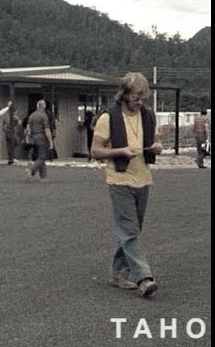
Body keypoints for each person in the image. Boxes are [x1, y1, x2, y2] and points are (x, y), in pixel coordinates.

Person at [91, 72, 163, 298]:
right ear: (124, 94)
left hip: (143, 179)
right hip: (119, 179)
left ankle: (118, 273)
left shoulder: (148, 116)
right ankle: (144, 277)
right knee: (130, 231)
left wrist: (157, 147)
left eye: (142, 98)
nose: (139, 102)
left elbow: (154, 141)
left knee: (131, 230)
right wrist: (119, 151)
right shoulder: (107, 118)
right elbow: (95, 151)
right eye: (136, 97)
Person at [25, 100, 53, 182]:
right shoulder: (43, 115)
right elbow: (47, 129)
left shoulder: (32, 115)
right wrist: (51, 141)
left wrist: (29, 138)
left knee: (40, 156)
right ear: (44, 106)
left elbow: (28, 128)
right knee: (42, 156)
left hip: (33, 137)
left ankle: (43, 177)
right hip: (41, 137)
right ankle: (32, 170)